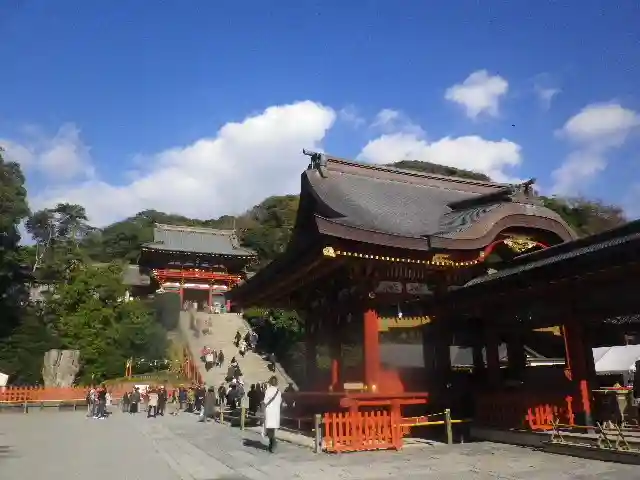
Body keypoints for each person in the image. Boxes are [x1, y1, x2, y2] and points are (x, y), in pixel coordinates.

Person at [262, 376, 282, 453]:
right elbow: (280, 402)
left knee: (268, 428)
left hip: (269, 412)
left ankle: (273, 442)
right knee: (272, 429)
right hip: (276, 413)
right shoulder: (278, 391)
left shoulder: (268, 390)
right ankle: (271, 444)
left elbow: (265, 401)